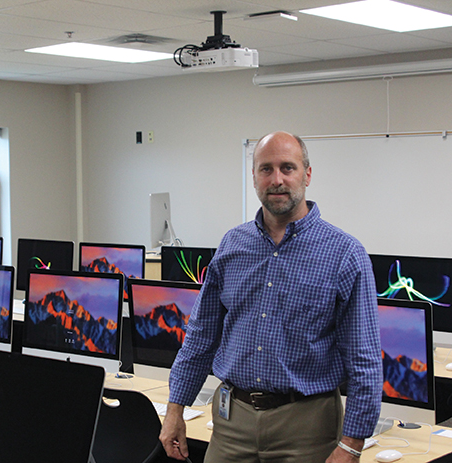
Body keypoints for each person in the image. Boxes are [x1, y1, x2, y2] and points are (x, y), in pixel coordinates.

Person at [159, 131, 382, 463]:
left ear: (307, 174)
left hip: (308, 428)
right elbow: (201, 336)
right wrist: (175, 408)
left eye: (287, 168)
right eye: (266, 169)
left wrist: (351, 444)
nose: (277, 180)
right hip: (232, 422)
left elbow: (364, 360)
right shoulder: (233, 245)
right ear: (254, 177)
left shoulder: (345, 254)